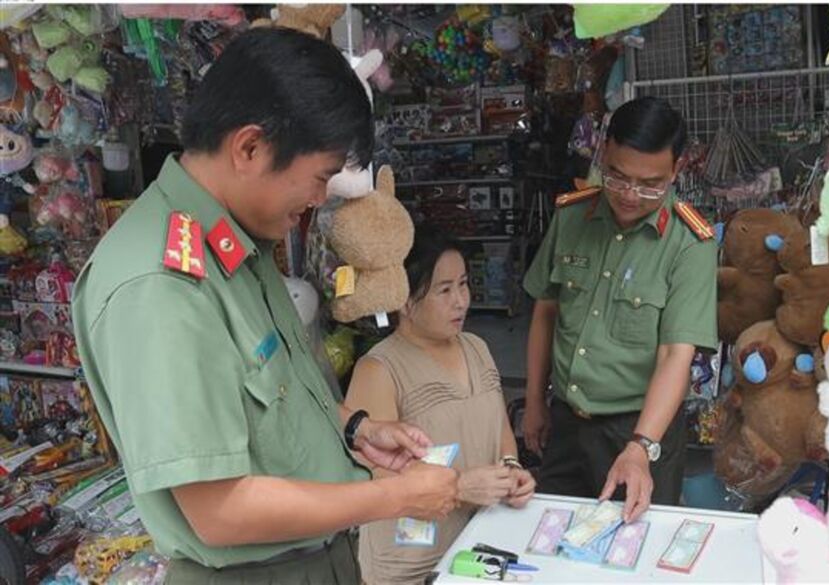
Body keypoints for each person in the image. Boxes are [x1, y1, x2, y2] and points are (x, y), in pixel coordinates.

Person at [71, 28, 458, 584]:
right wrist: (394, 496)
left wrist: (353, 430)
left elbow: (265, 404)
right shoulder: (162, 285)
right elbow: (220, 510)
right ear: (249, 147)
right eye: (320, 177)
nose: (319, 199)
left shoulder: (234, 244)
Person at [521, 97, 718, 523]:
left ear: (677, 170)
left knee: (634, 549)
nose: (630, 195)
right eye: (617, 176)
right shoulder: (572, 218)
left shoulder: (689, 245)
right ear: (604, 152)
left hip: (642, 429)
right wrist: (535, 400)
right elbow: (546, 311)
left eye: (650, 184)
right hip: (567, 423)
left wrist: (641, 446)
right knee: (555, 538)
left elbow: (675, 357)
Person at [345, 228, 536, 585]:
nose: (461, 300)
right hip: (411, 561)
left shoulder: (477, 347)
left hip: (478, 542)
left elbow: (500, 431)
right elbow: (375, 481)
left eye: (463, 284)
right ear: (404, 299)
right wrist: (459, 486)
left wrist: (510, 469)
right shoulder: (379, 370)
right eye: (444, 290)